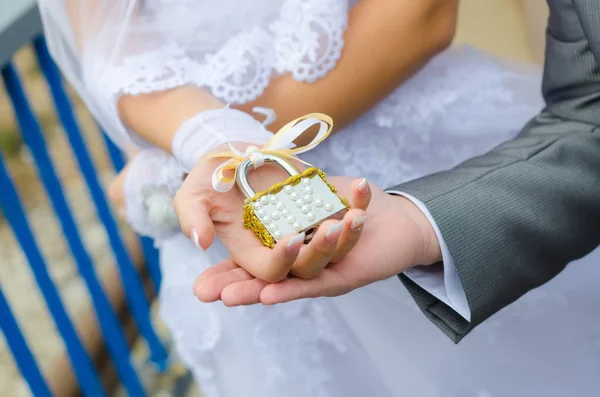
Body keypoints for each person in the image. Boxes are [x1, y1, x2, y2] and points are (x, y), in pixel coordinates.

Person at [38, 1, 600, 396]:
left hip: (425, 158)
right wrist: (213, 142)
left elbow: (422, 15)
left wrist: (230, 155)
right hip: (222, 212)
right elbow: (113, 47)